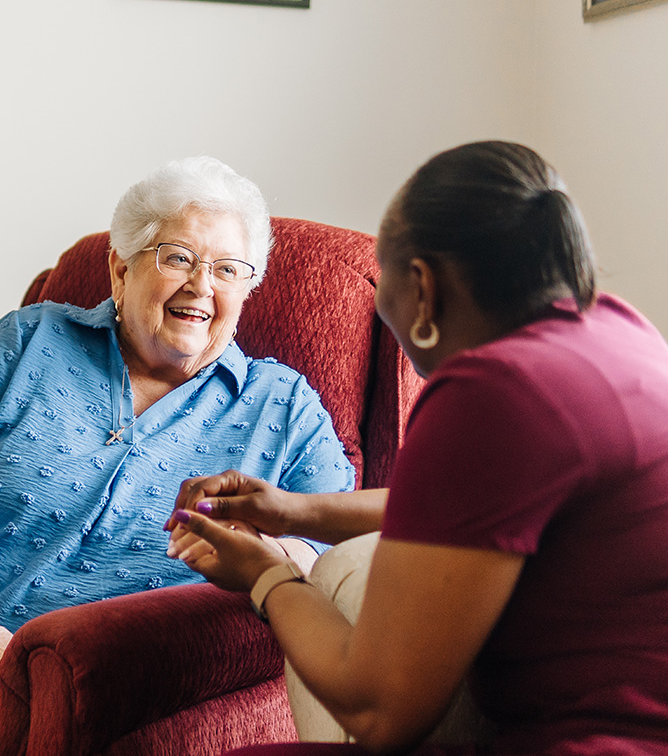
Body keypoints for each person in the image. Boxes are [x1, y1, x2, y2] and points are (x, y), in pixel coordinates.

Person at [0, 156, 355, 756]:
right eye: (178, 257)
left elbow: (337, 549)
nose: (203, 285)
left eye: (229, 269)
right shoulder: (31, 338)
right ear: (120, 270)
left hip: (42, 675)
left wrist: (265, 553)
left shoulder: (281, 407)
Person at [168, 141, 668, 755]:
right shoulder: (619, 332)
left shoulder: (492, 391)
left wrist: (267, 575)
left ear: (423, 287)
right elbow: (466, 508)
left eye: (385, 278)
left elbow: (378, 710)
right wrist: (290, 509)